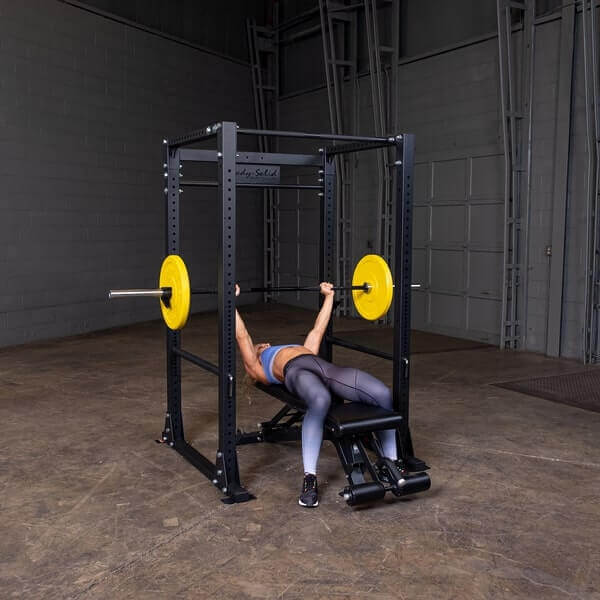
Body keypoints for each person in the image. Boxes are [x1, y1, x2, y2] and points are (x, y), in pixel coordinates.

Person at [235, 282, 400, 508]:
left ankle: (391, 463)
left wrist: (329, 297)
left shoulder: (299, 348)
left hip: (323, 368)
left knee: (382, 393)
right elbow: (242, 335)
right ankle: (309, 479)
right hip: (296, 372)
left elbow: (317, 330)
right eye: (259, 346)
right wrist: (230, 303)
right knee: (320, 400)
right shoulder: (255, 366)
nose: (262, 344)